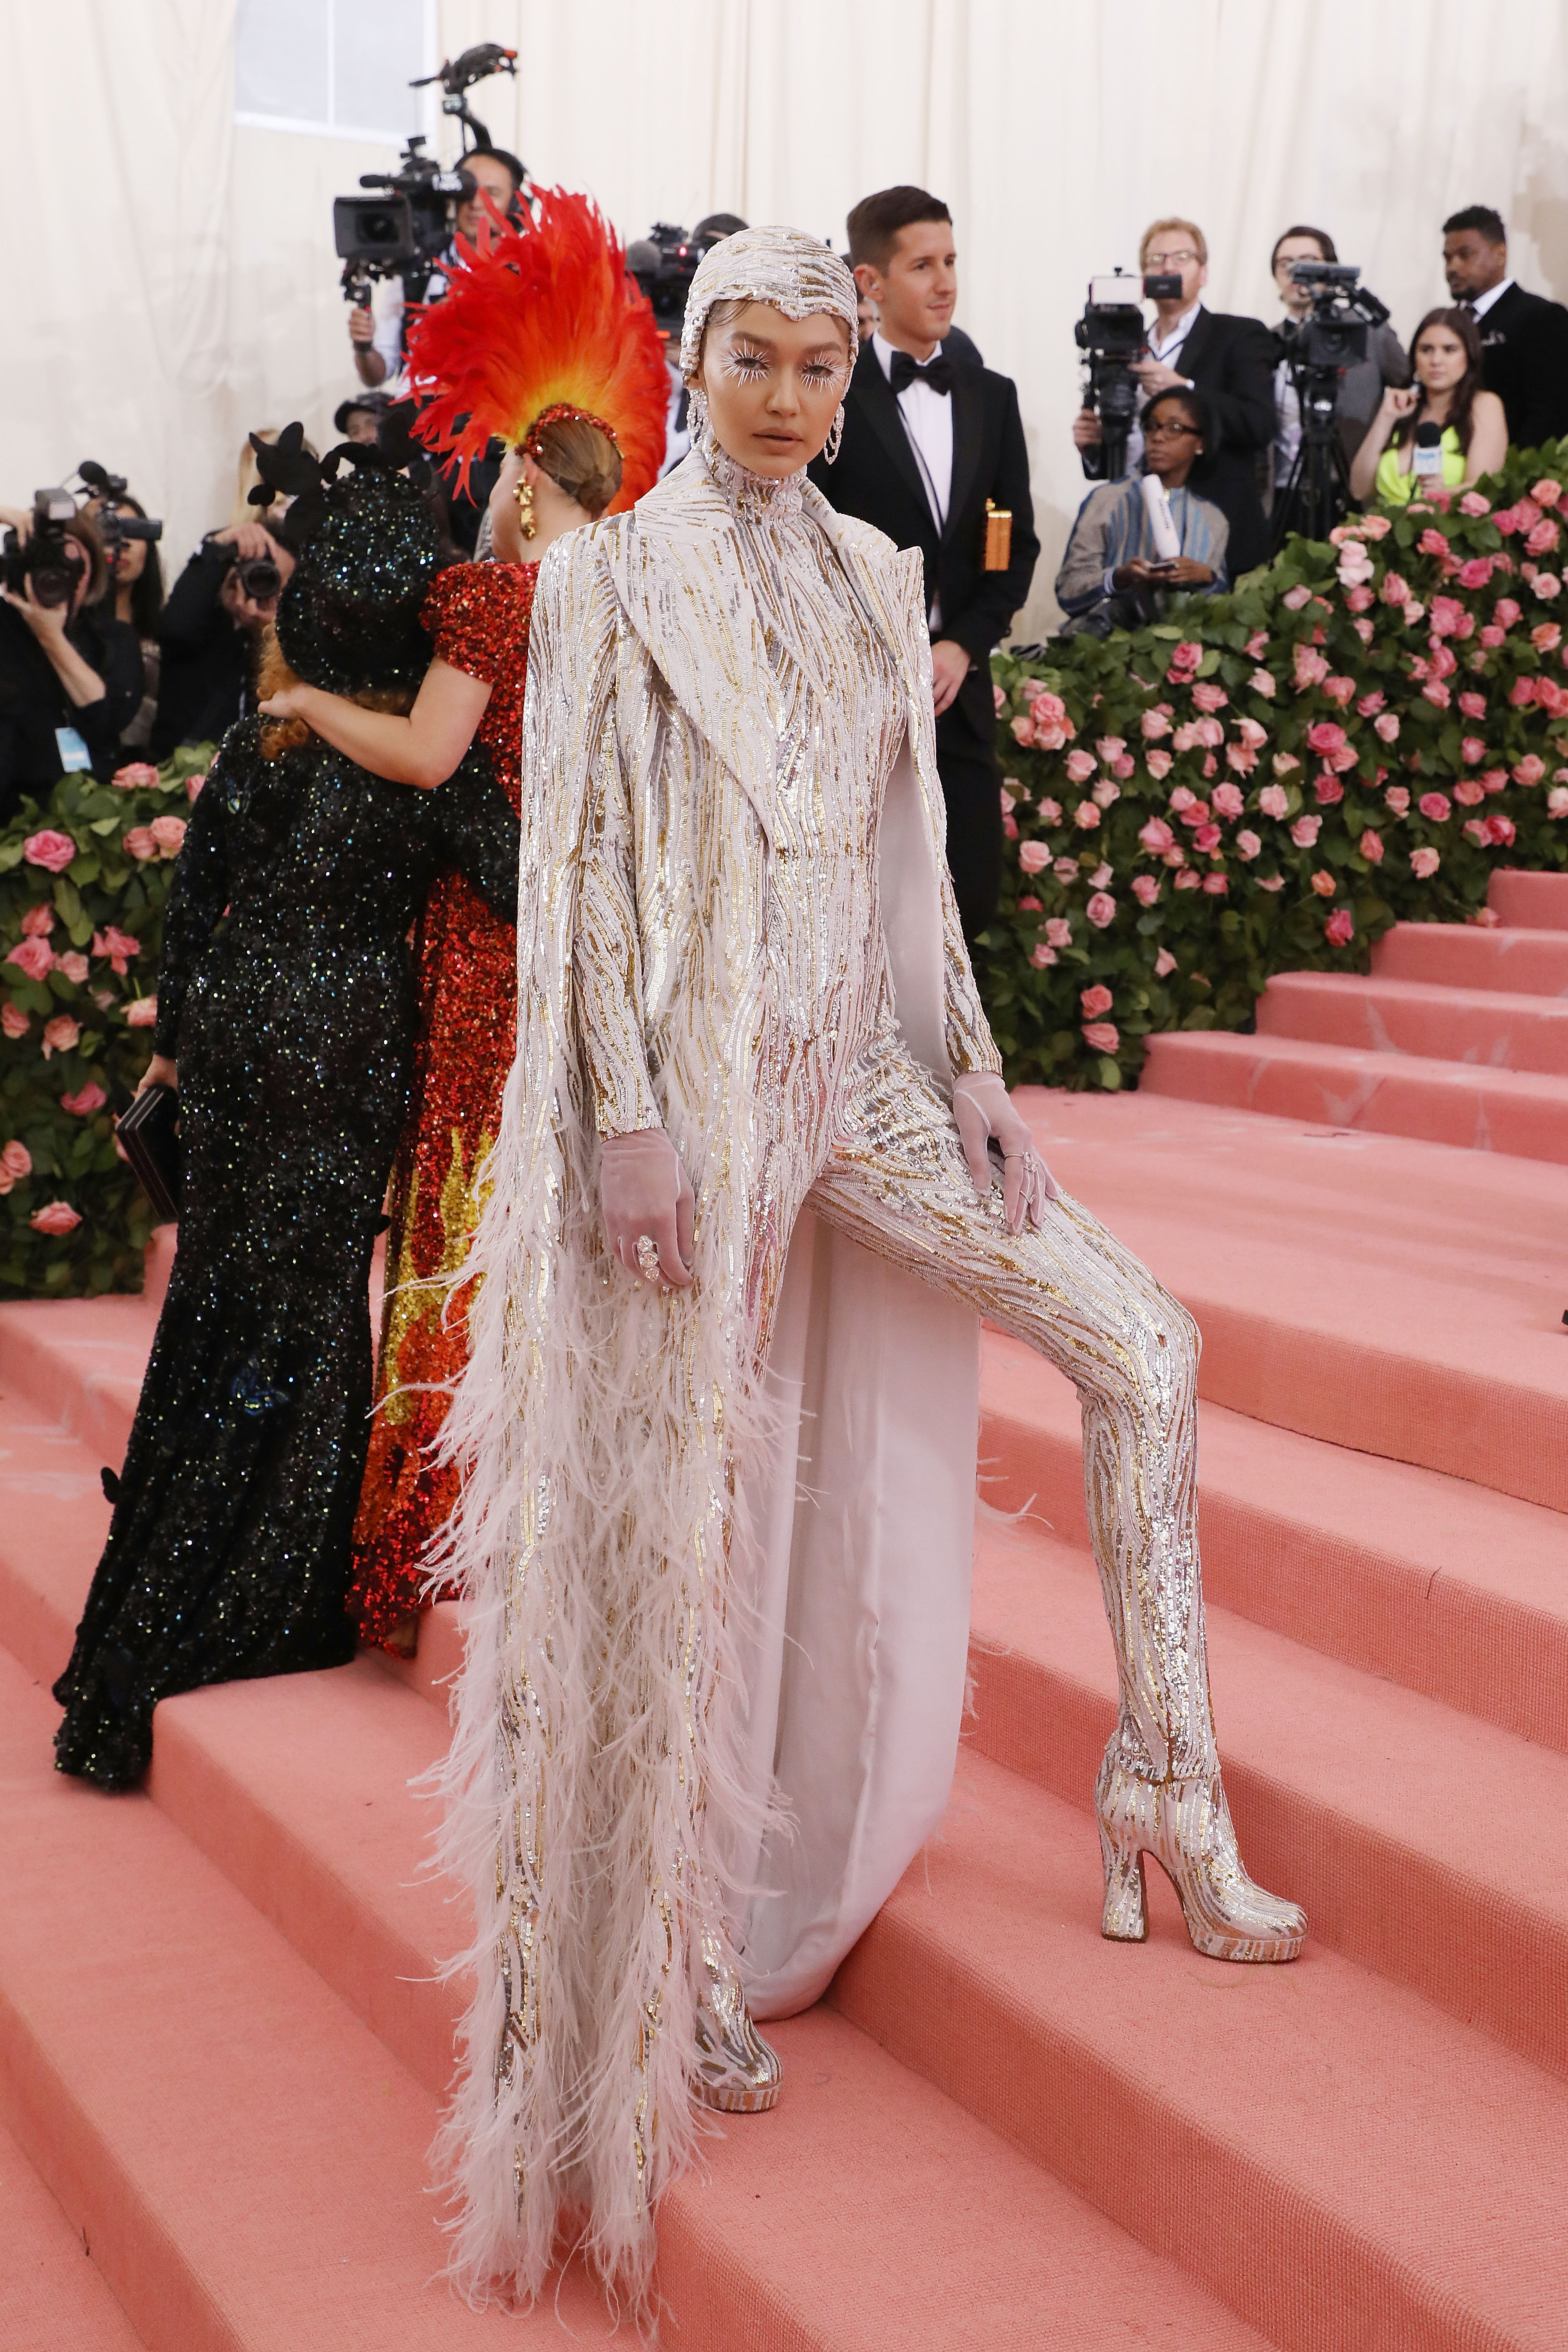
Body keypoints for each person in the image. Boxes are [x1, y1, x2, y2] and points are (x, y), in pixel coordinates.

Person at [432, 225, 1305, 2320]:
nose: (795, 399)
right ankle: (673, 1963)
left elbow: (912, 866)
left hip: (873, 1091)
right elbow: (572, 896)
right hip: (697, 1112)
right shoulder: (607, 581)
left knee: (1147, 1347)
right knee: (692, 1521)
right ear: (694, 367)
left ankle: (1163, 1786)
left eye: (825, 366)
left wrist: (983, 1076)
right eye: (757, 360)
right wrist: (626, 1115)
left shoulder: (879, 577)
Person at [51, 435, 521, 1791]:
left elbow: (196, 905)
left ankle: (150, 1614)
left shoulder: (268, 736)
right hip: (351, 1045)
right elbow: (515, 879)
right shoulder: (437, 765)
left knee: (218, 1302)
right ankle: (263, 1597)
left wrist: (188, 1043)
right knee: (313, 1317)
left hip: (249, 1033)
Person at [259, 191, 668, 1660]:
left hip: (486, 952)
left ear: (522, 470)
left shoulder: (493, 601)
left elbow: (431, 759)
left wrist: (318, 706)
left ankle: (440, 1519)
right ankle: (557, 1511)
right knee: (560, 1222)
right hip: (597, 944)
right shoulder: (628, 611)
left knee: (461, 1213)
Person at [809, 185, 1039, 943]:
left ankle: (949, 1064)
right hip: (857, 697)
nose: (944, 282)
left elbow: (1011, 545)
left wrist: (963, 642)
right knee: (861, 910)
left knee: (970, 894)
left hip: (959, 694)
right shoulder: (829, 398)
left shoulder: (992, 398)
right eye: (921, 265)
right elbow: (807, 547)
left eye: (950, 261)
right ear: (869, 283)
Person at [1074, 216, 1275, 576]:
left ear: (1204, 272)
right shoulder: (1122, 344)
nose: (1168, 266)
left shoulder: (1238, 335)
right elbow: (1130, 449)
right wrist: (1097, 446)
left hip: (1214, 525)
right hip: (1135, 526)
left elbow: (1259, 424)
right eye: (1156, 259)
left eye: (1182, 257)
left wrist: (1185, 389)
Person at [0, 507, 143, 817]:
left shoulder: (113, 639)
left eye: (72, 564)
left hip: (90, 822)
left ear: (92, 571)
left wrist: (51, 637)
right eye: (47, 563)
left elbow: (106, 719)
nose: (60, 575)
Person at [349, 146, 526, 393]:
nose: (476, 203)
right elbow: (378, 374)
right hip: (414, 418)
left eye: (492, 193)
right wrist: (364, 348)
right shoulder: (417, 266)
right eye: (468, 190)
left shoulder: (529, 273)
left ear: (517, 205)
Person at [1268, 224, 1409, 527]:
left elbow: (1410, 388)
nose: (1297, 272)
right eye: (1286, 264)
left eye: (1309, 261)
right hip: (1284, 491)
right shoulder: (1266, 342)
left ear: (1331, 269)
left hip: (1352, 488)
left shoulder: (1368, 331)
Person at [1055, 388, 1228, 633]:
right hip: (1102, 647)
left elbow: (1223, 609)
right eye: (1152, 426)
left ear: (1200, 443)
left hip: (1180, 653)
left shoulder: (1212, 520)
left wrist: (1206, 578)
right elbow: (1069, 590)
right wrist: (1119, 578)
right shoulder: (1107, 500)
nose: (1158, 437)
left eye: (1174, 429)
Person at [149, 517, 295, 759]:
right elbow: (175, 628)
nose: (261, 588)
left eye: (274, 580)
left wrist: (269, 637)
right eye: (254, 574)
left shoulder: (297, 651)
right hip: (181, 781)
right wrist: (215, 547)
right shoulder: (197, 631)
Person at [1442, 204, 1568, 454]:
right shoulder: (1448, 325)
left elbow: (1550, 414)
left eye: (1465, 255)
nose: (1452, 268)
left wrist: (1514, 481)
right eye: (1447, 258)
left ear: (1500, 255)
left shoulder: (1542, 318)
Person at [1349, 307, 1507, 505]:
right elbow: (1359, 489)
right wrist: (1385, 418)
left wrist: (1443, 495)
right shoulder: (1401, 408)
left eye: (1449, 350)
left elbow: (1483, 489)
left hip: (1447, 529)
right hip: (1386, 530)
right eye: (1426, 350)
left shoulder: (1484, 405)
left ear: (1469, 355)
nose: (1436, 361)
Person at [93, 491, 165, 750]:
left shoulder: (168, 624)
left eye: (134, 532)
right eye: (110, 530)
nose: (122, 543)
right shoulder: (70, 625)